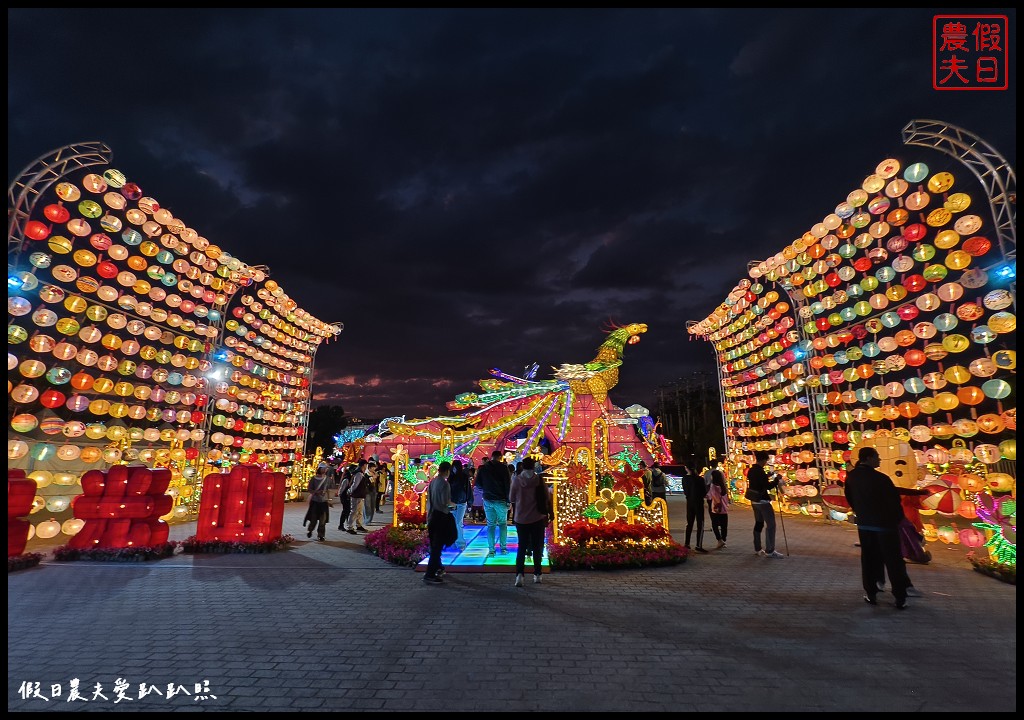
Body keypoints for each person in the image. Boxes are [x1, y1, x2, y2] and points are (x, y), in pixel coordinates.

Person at [845, 447, 912, 609]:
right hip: (884, 526)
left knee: (868, 559)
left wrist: (860, 513)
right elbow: (894, 502)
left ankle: (871, 593)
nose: (880, 460)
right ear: (868, 458)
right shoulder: (881, 478)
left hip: (864, 525)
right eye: (877, 457)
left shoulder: (851, 477)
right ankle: (900, 597)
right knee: (893, 560)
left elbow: (850, 498)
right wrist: (896, 520)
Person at [509, 457, 547, 586]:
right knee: (537, 546)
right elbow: (546, 496)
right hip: (537, 517)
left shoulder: (516, 480)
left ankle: (519, 576)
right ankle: (537, 574)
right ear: (534, 466)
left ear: (522, 466)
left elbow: (511, 498)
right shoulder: (539, 479)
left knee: (522, 546)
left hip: (521, 518)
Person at [476, 450, 512, 557]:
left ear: (491, 457)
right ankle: (503, 548)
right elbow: (507, 485)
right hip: (501, 500)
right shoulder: (503, 468)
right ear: (500, 457)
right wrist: (508, 500)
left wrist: (486, 489)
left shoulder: (483, 468)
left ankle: (491, 550)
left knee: (491, 525)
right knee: (502, 524)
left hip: (488, 499)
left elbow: (478, 484)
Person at [747, 451, 783, 558]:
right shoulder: (760, 471)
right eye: (766, 461)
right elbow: (767, 486)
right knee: (771, 525)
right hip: (763, 501)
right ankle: (770, 550)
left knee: (759, 523)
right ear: (763, 460)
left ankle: (757, 548)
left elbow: (757, 481)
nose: (766, 463)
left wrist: (767, 475)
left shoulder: (751, 470)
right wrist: (776, 480)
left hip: (754, 501)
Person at [423, 461, 453, 584]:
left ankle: (439, 567)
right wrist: (453, 505)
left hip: (431, 516)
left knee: (435, 545)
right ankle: (430, 573)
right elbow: (445, 502)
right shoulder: (445, 485)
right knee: (437, 547)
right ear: (447, 471)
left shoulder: (433, 482)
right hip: (440, 516)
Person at [682, 464, 708, 553]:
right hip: (698, 502)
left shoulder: (684, 479)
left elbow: (685, 491)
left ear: (686, 468)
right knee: (700, 524)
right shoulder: (700, 479)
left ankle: (687, 543)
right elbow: (704, 492)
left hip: (689, 502)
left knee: (689, 523)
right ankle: (698, 545)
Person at [302, 463, 331, 541]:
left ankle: (321, 535)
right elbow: (309, 489)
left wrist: (328, 499)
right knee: (313, 518)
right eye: (324, 468)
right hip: (315, 501)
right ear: (320, 469)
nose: (325, 470)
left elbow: (328, 490)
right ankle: (310, 530)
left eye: (326, 469)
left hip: (323, 502)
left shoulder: (327, 479)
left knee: (323, 520)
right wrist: (316, 492)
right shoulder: (313, 479)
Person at [447, 460, 472, 550]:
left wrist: (469, 503)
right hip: (454, 502)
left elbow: (468, 490)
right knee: (455, 523)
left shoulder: (463, 477)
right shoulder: (451, 477)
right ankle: (455, 541)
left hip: (461, 502)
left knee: (458, 522)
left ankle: (460, 542)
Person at [344, 460, 370, 535]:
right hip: (356, 495)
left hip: (360, 495)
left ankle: (359, 525)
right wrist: (350, 491)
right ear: (363, 465)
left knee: (359, 512)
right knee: (354, 511)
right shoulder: (358, 474)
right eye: (366, 465)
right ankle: (350, 527)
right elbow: (355, 485)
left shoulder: (361, 473)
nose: (366, 467)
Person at [707, 467, 729, 549]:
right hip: (724, 508)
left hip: (716, 508)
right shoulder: (723, 486)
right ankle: (724, 540)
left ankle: (720, 540)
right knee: (724, 525)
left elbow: (710, 496)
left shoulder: (713, 486)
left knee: (714, 525)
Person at [336, 464, 353, 530]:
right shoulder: (346, 480)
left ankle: (347, 524)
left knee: (347, 510)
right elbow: (342, 489)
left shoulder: (348, 479)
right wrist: (341, 496)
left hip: (346, 496)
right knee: (345, 510)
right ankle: (341, 525)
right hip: (344, 497)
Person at [362, 462, 378, 526]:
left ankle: (370, 519)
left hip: (373, 491)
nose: (374, 468)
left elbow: (376, 483)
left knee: (372, 505)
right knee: (367, 505)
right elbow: (366, 483)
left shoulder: (375, 474)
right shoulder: (366, 474)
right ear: (370, 468)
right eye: (373, 467)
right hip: (367, 491)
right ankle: (367, 520)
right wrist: (372, 478)